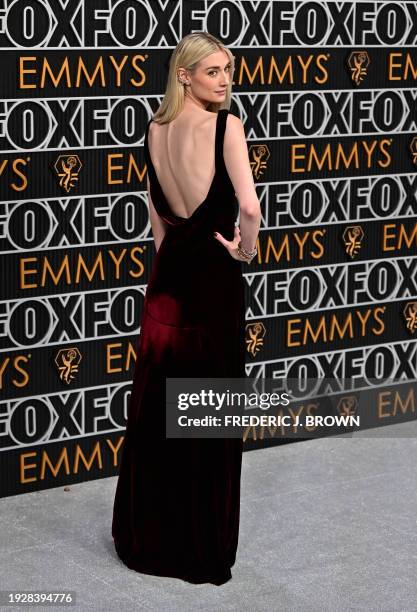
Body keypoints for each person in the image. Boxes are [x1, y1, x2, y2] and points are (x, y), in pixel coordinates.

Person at [111, 32, 261, 586]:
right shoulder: (228, 128)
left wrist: (166, 266)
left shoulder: (154, 129)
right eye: (213, 71)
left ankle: (149, 536)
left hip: (167, 283)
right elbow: (248, 206)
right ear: (184, 75)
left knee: (159, 414)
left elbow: (156, 213)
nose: (224, 81)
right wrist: (245, 251)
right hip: (212, 287)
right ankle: (198, 548)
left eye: (227, 70)